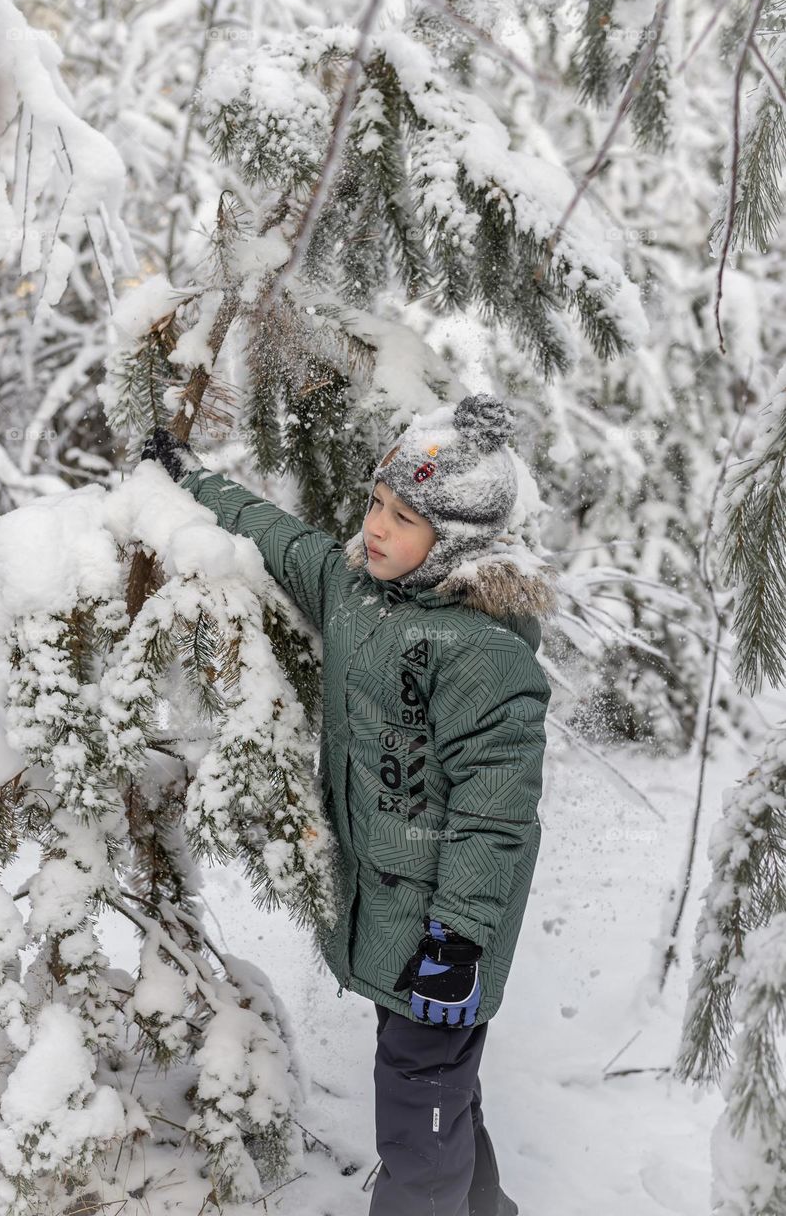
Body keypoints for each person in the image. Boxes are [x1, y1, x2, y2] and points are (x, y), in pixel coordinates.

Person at [142, 392, 557, 1216]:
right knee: (434, 1099)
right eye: (375, 502)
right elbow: (279, 536)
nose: (374, 526)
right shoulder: (356, 591)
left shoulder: (484, 653)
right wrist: (191, 481)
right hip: (392, 920)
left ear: (455, 545)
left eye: (402, 518)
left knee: (416, 1122)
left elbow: (496, 814)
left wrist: (460, 938)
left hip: (443, 935)